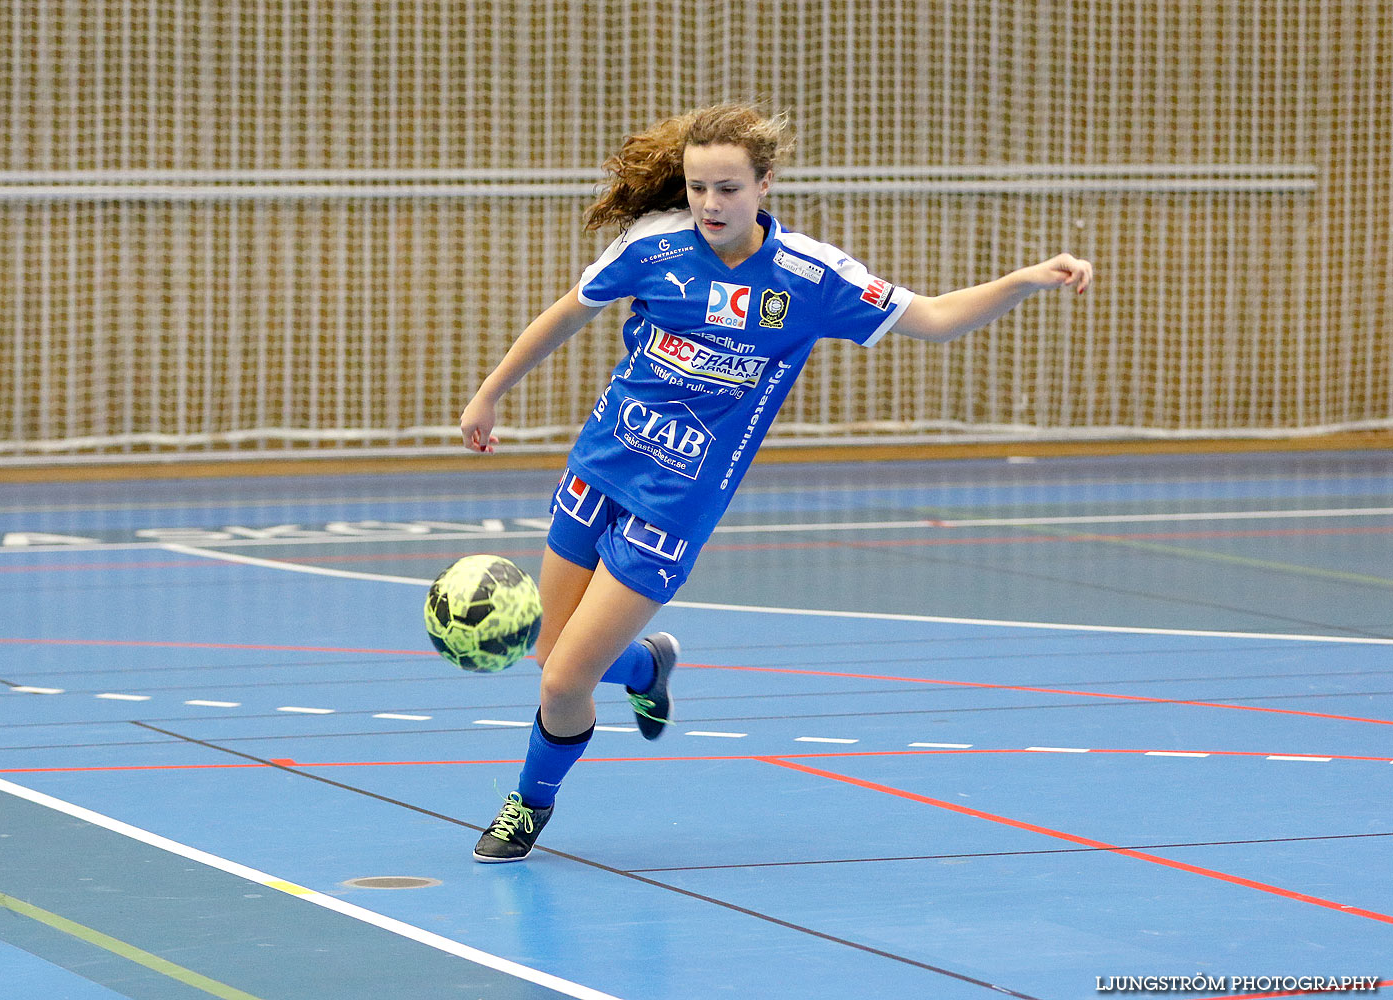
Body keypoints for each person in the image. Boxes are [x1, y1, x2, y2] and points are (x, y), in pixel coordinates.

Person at [458, 104, 1092, 862]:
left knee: (563, 682)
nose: (710, 205)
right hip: (597, 468)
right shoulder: (653, 247)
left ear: (764, 184)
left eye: (727, 188)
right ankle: (648, 664)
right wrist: (491, 391)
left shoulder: (811, 277)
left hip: (676, 504)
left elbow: (934, 318)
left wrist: (1025, 279)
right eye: (697, 188)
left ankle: (527, 805)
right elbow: (567, 314)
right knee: (552, 659)